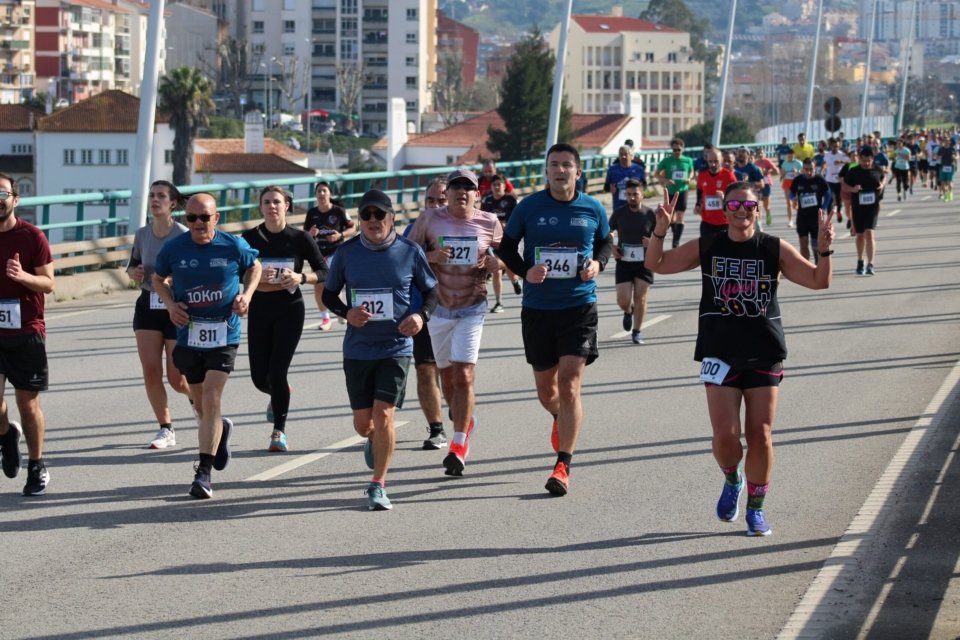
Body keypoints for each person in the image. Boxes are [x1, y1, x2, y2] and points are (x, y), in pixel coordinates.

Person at [645, 182, 834, 537]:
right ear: (724, 209)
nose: (741, 211)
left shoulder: (773, 248)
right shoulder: (709, 244)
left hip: (764, 348)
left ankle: (756, 508)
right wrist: (660, 229)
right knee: (725, 436)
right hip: (719, 350)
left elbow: (818, 281)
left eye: (748, 205)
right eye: (734, 204)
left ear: (757, 210)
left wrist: (825, 251)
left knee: (760, 434)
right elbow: (656, 263)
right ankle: (732, 479)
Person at [496, 143, 612, 497]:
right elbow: (505, 249)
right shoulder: (528, 207)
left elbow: (606, 243)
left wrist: (598, 265)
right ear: (546, 171)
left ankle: (563, 464)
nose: (560, 171)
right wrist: (525, 271)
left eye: (567, 165)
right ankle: (559, 418)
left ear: (578, 172)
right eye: (554, 165)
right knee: (547, 392)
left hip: (579, 307)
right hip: (538, 309)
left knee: (570, 385)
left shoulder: (593, 208)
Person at [321, 189, 438, 510]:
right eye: (366, 216)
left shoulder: (410, 251)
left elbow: (432, 292)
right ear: (359, 220)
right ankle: (372, 438)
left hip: (395, 346)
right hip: (358, 349)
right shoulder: (347, 253)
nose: (373, 221)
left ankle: (378, 484)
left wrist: (419, 315)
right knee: (364, 424)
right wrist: (348, 313)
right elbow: (329, 296)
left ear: (391, 217)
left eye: (379, 215)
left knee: (384, 414)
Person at [152, 193, 261, 499]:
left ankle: (203, 473)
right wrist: (170, 304)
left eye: (204, 217)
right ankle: (219, 430)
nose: (198, 223)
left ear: (216, 218)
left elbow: (255, 267)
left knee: (212, 396)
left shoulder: (232, 245)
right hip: (188, 333)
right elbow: (157, 278)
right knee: (201, 405)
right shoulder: (174, 248)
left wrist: (247, 295)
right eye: (192, 218)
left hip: (225, 332)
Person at [408, 169, 502, 477]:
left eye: (469, 187)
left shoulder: (489, 222)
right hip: (438, 309)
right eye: (456, 186)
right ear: (446, 193)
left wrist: (495, 263)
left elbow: (507, 259)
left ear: (477, 194)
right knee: (446, 381)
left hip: (472, 308)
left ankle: (459, 445)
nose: (462, 191)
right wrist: (432, 254)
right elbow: (407, 254)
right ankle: (464, 417)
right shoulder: (429, 219)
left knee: (464, 377)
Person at [242, 186, 327, 452]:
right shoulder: (249, 238)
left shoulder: (299, 238)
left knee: (278, 371)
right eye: (266, 202)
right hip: (260, 309)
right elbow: (235, 271)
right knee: (259, 378)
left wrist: (301, 278)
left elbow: (324, 271)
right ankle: (280, 393)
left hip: (290, 309)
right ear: (261, 207)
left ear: (287, 206)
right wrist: (254, 279)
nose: (272, 206)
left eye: (277, 202)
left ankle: (279, 430)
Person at [126, 180, 193, 450]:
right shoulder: (142, 234)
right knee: (150, 370)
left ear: (173, 203)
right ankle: (166, 428)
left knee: (177, 378)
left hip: (175, 307)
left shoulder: (183, 235)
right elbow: (131, 267)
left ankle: (197, 401)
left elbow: (193, 269)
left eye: (161, 196)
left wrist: (172, 279)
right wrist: (135, 273)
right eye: (152, 195)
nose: (155, 200)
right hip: (147, 306)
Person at [0, 173, 55, 496]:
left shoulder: (32, 237)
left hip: (26, 330)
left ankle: (37, 465)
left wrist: (23, 277)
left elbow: (49, 283)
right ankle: (6, 435)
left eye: (1, 194)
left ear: (15, 200)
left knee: (27, 403)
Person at [403, 179, 448, 449]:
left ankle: (456, 404)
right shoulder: (414, 229)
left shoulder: (462, 227)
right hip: (423, 310)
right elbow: (403, 258)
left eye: (441, 200)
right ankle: (436, 428)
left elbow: (488, 258)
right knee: (425, 369)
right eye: (430, 200)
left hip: (458, 311)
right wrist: (431, 256)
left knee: (452, 375)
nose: (435, 205)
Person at [609, 179, 656, 345]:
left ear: (642, 194)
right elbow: (608, 233)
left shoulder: (650, 214)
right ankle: (628, 311)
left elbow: (660, 237)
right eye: (628, 194)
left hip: (645, 262)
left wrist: (653, 243)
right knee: (623, 300)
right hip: (624, 261)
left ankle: (637, 332)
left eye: (635, 194)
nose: (632, 198)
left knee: (641, 297)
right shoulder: (619, 213)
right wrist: (612, 247)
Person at [304, 181, 354, 331]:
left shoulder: (339, 211)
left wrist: (340, 235)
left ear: (330, 194)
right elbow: (305, 233)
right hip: (318, 254)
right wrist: (310, 234)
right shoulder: (311, 213)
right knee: (319, 286)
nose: (321, 194)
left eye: (324, 191)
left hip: (336, 253)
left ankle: (338, 309)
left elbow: (353, 227)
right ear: (315, 195)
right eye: (318, 191)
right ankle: (325, 318)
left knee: (335, 287)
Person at [842, 146, 887, 276]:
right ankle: (860, 261)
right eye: (863, 161)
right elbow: (844, 185)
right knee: (860, 235)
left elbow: (883, 177)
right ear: (860, 159)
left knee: (870, 233)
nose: (866, 163)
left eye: (868, 161)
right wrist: (853, 189)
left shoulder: (876, 169)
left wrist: (882, 184)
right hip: (858, 208)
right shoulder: (854, 171)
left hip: (872, 208)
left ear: (872, 159)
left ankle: (871, 264)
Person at [480, 174, 522, 312]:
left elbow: (519, 219)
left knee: (509, 265)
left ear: (505, 186)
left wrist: (506, 224)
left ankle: (515, 281)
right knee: (496, 269)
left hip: (508, 239)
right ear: (491, 187)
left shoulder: (511, 200)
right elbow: (481, 217)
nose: (497, 187)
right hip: (492, 240)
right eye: (494, 185)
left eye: (499, 184)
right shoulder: (487, 201)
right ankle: (499, 303)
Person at [654, 138, 695, 248]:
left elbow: (691, 172)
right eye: (675, 150)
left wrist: (689, 179)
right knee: (672, 218)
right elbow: (656, 174)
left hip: (682, 190)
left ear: (682, 149)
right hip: (671, 191)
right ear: (672, 150)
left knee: (680, 215)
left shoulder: (688, 160)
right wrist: (666, 180)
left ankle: (676, 241)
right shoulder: (667, 161)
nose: (677, 152)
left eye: (679, 150)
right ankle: (674, 229)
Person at [790, 159, 831, 262]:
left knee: (815, 245)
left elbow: (828, 194)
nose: (808, 172)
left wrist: (824, 207)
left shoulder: (819, 180)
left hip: (816, 218)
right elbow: (791, 193)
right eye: (806, 169)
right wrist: (793, 198)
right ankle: (807, 267)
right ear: (803, 169)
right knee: (803, 244)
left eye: (811, 169)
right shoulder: (798, 180)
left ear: (814, 168)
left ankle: (818, 264)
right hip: (802, 217)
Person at [695, 146, 738, 238]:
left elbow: (737, 198)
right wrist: (698, 205)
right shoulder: (702, 176)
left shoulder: (729, 176)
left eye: (716, 161)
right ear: (707, 160)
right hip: (707, 222)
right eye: (710, 161)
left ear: (721, 160)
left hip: (725, 222)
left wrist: (725, 197)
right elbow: (699, 191)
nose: (713, 164)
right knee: (706, 251)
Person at [822, 137, 847, 223]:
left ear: (839, 146)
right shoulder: (827, 154)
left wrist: (840, 162)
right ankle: (829, 219)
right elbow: (824, 164)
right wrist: (823, 169)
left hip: (839, 180)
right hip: (829, 180)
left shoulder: (842, 154)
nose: (835, 148)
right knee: (830, 198)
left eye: (837, 146)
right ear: (830, 146)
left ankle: (839, 211)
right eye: (833, 146)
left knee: (839, 198)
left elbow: (849, 162)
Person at [753, 148, 778, 227]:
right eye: (759, 153)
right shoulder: (755, 163)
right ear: (757, 155)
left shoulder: (767, 161)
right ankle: (759, 222)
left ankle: (768, 213)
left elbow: (776, 171)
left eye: (762, 153)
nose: (760, 155)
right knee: (758, 203)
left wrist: (768, 171)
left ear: (764, 154)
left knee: (766, 205)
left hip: (767, 183)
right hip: (759, 185)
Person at [779, 149, 803, 228]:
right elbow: (781, 176)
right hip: (787, 183)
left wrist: (798, 172)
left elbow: (803, 173)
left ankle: (800, 218)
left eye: (792, 156)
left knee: (796, 202)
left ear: (794, 155)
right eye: (789, 156)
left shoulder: (799, 163)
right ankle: (790, 221)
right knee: (788, 202)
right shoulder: (784, 163)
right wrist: (784, 173)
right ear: (787, 156)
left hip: (797, 184)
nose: (790, 158)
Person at [937, 137, 956, 202]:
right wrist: (937, 157)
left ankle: (950, 194)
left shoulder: (952, 149)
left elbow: (957, 156)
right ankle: (946, 195)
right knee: (942, 183)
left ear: (949, 142)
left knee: (949, 182)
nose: (946, 142)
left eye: (947, 141)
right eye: (945, 141)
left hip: (950, 167)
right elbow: (937, 157)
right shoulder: (941, 149)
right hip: (943, 167)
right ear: (943, 142)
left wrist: (955, 157)